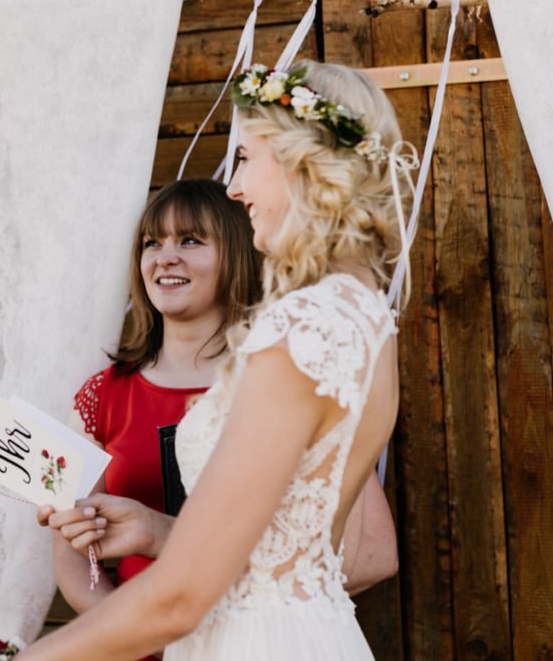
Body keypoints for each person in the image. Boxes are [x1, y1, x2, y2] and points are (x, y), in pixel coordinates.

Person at [23, 60, 409, 659]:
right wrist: (154, 530)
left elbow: (182, 597)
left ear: (300, 161)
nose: (236, 187)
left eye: (249, 158)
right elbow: (291, 553)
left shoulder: (301, 328)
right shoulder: (366, 318)